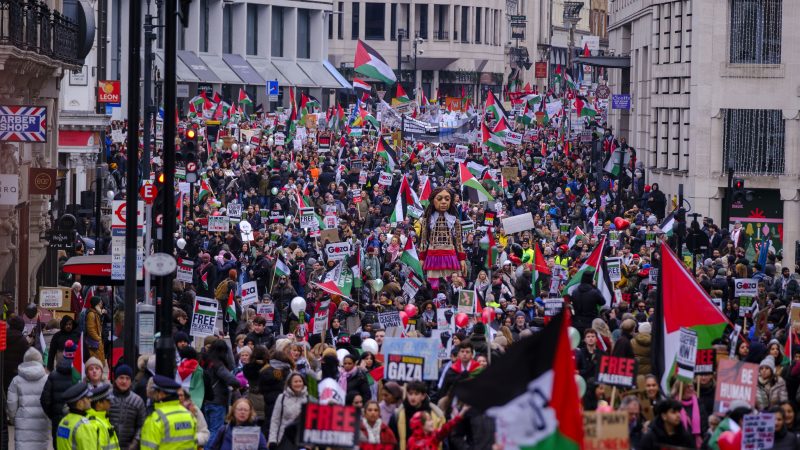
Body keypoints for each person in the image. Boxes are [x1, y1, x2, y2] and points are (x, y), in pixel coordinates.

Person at [7, 348, 50, 450]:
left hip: (23, 425)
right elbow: (50, 402)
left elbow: (11, 404)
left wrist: (14, 419)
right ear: (40, 361)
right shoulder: (47, 379)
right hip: (41, 424)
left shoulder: (16, 380)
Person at [141, 375, 197, 449]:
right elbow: (194, 444)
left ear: (161, 394)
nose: (154, 395)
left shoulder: (156, 419)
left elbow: (148, 447)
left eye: (156, 392)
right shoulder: (189, 415)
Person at [203, 339, 242, 444]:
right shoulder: (218, 364)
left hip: (207, 400)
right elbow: (231, 379)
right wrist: (239, 383)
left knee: (209, 430)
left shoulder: (206, 362)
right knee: (215, 431)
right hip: (217, 401)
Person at [41, 339, 78, 444]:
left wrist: (53, 415)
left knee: (59, 445)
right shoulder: (80, 375)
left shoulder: (53, 375)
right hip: (78, 422)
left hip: (58, 421)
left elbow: (45, 400)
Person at [390, 381, 445, 450]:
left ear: (423, 396)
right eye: (410, 394)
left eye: (416, 394)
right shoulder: (398, 415)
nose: (413, 397)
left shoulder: (435, 415)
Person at [108, 364, 147, 449]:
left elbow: (142, 425)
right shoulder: (107, 399)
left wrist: (134, 443)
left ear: (131, 381)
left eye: (127, 378)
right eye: (121, 377)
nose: (124, 381)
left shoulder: (138, 401)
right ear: (115, 379)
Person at [268, 372, 308, 448]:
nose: (298, 384)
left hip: (302, 441)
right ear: (290, 383)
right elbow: (275, 420)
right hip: (284, 440)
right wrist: (272, 440)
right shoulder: (282, 397)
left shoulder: (308, 399)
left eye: (300, 381)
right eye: (295, 381)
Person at [55, 382, 99, 450]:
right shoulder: (84, 426)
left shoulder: (63, 422)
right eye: (87, 398)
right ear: (80, 403)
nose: (90, 400)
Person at [86, 383, 121, 450]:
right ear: (99, 404)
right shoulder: (94, 424)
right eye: (108, 400)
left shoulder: (102, 420)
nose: (110, 403)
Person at [570, 270, 606, 336]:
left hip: (577, 322)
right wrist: (595, 287)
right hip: (591, 323)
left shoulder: (574, 292)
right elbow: (602, 302)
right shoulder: (594, 292)